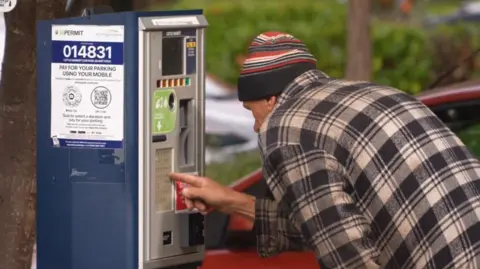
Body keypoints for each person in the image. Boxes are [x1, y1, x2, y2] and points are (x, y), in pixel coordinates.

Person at [170, 31, 480, 268]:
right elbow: (329, 222)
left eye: (252, 113)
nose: (255, 127)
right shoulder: (378, 93)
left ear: (271, 99)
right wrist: (231, 201)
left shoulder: (284, 128)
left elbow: (348, 256)